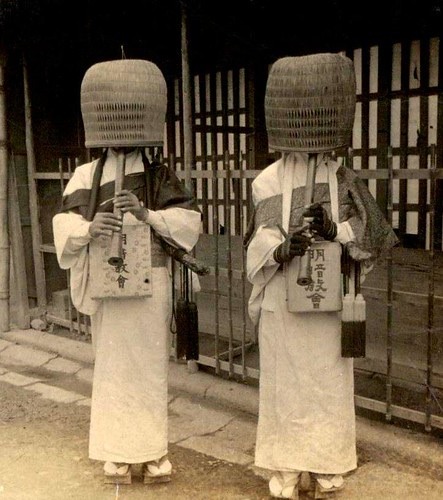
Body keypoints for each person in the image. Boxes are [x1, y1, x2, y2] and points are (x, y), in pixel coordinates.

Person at [245, 54, 398, 499]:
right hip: (282, 296)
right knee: (285, 385)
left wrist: (337, 231)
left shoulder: (343, 178)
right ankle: (287, 467)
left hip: (329, 300)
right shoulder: (268, 180)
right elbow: (256, 241)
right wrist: (282, 247)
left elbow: (371, 233)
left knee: (328, 382)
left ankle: (327, 462)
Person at [52, 60, 201, 485]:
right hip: (107, 284)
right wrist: (89, 227)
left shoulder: (158, 175)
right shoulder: (86, 175)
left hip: (151, 284)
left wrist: (146, 213)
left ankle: (153, 455)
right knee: (113, 368)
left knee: (150, 368)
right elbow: (62, 224)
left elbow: (189, 223)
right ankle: (117, 454)